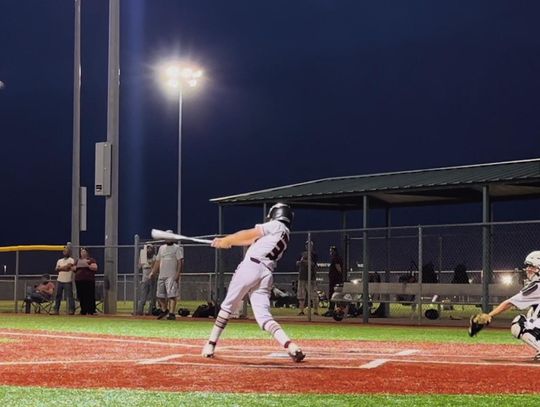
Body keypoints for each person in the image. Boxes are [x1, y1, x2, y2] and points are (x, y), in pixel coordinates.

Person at [201, 202, 305, 362]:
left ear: (276, 215)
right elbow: (251, 239)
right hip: (266, 273)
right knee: (264, 317)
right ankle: (291, 346)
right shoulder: (284, 233)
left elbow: (250, 233)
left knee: (227, 306)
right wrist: (228, 242)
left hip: (251, 267)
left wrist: (227, 239)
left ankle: (210, 344)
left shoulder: (275, 225)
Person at [482, 251, 540, 360]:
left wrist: (489, 315)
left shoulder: (537, 286)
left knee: (519, 323)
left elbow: (509, 303)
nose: (528, 269)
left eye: (532, 266)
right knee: (533, 313)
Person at [150, 232, 184, 320]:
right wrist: (153, 272)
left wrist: (177, 274)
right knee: (160, 295)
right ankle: (164, 310)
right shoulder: (161, 248)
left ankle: (172, 313)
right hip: (162, 275)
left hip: (171, 276)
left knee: (172, 295)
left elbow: (180, 262)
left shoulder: (177, 248)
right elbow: (157, 261)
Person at [296, 240, 319, 316]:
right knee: (301, 295)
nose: (308, 247)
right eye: (307, 245)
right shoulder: (302, 254)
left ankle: (315, 311)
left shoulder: (314, 254)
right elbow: (297, 263)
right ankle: (301, 310)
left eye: (310, 245)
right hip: (302, 276)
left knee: (314, 295)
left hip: (311, 277)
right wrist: (301, 261)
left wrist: (306, 261)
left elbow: (313, 264)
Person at [74, 247, 98, 315]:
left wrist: (87, 265)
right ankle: (83, 310)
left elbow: (95, 267)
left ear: (87, 253)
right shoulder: (78, 260)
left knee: (90, 295)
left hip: (89, 280)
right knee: (81, 296)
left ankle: (91, 310)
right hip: (79, 280)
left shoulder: (91, 260)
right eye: (82, 252)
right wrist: (77, 266)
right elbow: (73, 268)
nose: (83, 253)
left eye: (84, 252)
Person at [52, 246, 76, 315]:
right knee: (58, 296)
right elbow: (56, 269)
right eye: (65, 251)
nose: (65, 252)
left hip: (67, 281)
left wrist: (61, 268)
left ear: (69, 252)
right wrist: (63, 268)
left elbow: (68, 268)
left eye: (67, 251)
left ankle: (72, 310)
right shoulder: (59, 260)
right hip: (59, 280)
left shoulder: (71, 260)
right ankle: (56, 310)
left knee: (70, 296)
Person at [136, 244, 157, 315]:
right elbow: (139, 266)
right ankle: (139, 311)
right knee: (143, 296)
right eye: (147, 249)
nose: (148, 250)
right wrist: (142, 256)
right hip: (144, 278)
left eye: (150, 248)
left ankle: (150, 311)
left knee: (152, 296)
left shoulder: (154, 257)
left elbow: (154, 267)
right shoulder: (143, 256)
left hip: (152, 278)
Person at [327, 246, 344, 313]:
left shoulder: (336, 258)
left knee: (333, 293)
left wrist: (340, 274)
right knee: (335, 293)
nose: (330, 252)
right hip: (336, 278)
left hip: (335, 279)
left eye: (331, 251)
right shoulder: (337, 257)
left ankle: (331, 308)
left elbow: (338, 268)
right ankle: (333, 308)